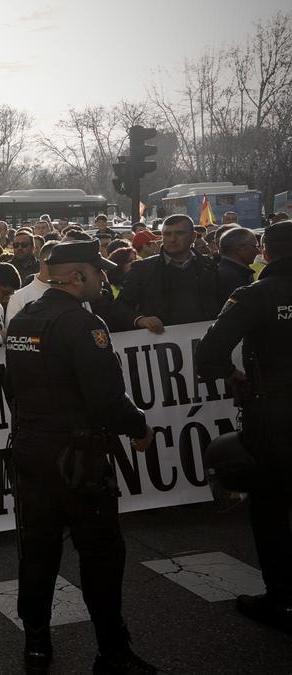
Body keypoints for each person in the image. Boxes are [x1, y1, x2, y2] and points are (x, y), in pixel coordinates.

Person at [4, 240, 157, 674]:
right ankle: (113, 651)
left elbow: (11, 389)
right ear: (76, 277)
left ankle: (37, 645)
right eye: (97, 272)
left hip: (31, 452)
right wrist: (140, 428)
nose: (104, 279)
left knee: (37, 550)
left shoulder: (22, 319)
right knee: (101, 554)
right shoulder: (81, 324)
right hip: (78, 459)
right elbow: (106, 398)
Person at [194, 220, 292, 634]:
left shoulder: (254, 295)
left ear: (266, 252)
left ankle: (282, 600)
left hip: (274, 419)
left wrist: (232, 376)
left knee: (269, 507)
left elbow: (211, 351)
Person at [118, 215, 220, 326]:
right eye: (167, 234)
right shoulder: (143, 269)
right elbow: (120, 306)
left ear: (193, 236)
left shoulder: (210, 266)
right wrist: (140, 320)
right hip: (160, 340)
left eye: (180, 233)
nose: (172, 239)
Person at [216, 226, 259, 304]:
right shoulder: (231, 277)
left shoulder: (225, 271)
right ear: (240, 248)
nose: (258, 251)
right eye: (254, 246)